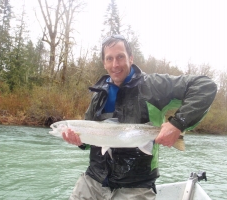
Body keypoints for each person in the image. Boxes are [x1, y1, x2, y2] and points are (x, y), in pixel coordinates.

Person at [62, 35, 217, 200]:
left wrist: (178, 124)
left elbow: (205, 86)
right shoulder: (98, 95)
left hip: (136, 186)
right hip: (92, 182)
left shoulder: (154, 85)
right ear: (104, 63)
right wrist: (79, 141)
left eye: (120, 57)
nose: (115, 64)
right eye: (110, 59)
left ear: (130, 58)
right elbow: (90, 139)